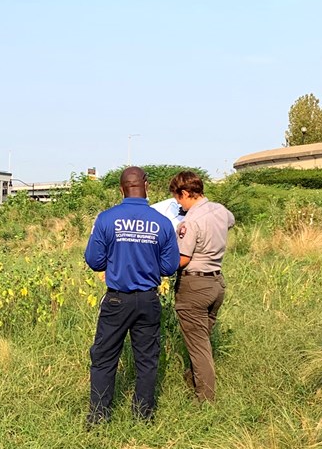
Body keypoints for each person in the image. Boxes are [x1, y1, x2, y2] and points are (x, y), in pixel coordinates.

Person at [84, 166, 181, 426]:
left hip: (117, 300)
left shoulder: (106, 219)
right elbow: (170, 267)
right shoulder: (162, 223)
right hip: (148, 300)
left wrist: (115, 261)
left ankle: (98, 419)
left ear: (121, 188)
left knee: (104, 359)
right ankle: (143, 417)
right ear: (146, 185)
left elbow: (94, 260)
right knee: (147, 361)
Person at [170, 170, 235, 402]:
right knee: (202, 340)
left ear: (185, 193)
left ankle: (205, 399)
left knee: (198, 347)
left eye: (179, 199)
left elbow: (182, 259)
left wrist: (156, 265)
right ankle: (193, 380)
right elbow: (231, 222)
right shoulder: (220, 210)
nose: (179, 204)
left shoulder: (190, 222)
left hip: (194, 285)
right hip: (216, 283)